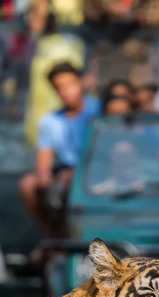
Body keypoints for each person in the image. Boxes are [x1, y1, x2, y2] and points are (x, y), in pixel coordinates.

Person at [19, 62, 100, 237]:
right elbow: (43, 163)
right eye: (59, 87)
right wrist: (46, 180)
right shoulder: (50, 121)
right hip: (65, 173)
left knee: (71, 181)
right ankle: (54, 237)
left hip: (96, 170)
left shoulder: (98, 109)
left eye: (70, 84)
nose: (66, 91)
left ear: (81, 82)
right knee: (28, 185)